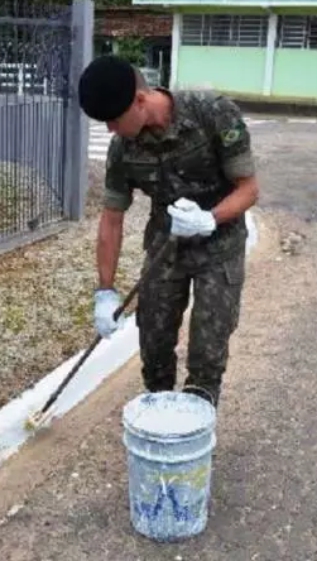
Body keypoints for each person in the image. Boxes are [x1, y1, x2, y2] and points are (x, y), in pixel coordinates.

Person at [78, 55, 259, 409]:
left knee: (208, 348)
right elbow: (111, 219)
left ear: (141, 101)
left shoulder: (211, 113)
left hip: (219, 241)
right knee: (155, 341)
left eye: (114, 120)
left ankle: (195, 427)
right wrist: (105, 291)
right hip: (166, 244)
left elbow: (249, 189)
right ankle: (160, 416)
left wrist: (210, 218)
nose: (111, 130)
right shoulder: (123, 150)